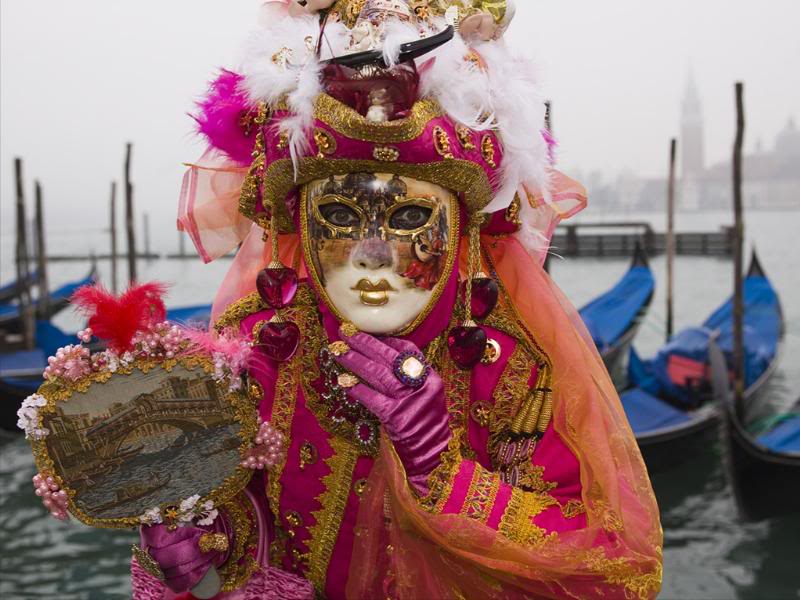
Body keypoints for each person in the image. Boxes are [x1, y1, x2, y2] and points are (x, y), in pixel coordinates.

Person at [133, 1, 663, 598]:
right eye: (338, 216)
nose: (373, 255)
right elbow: (254, 516)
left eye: (410, 216)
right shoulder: (264, 344)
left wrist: (443, 472)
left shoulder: (512, 371)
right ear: (300, 225)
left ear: (461, 232)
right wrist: (202, 536)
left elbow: (612, 570)